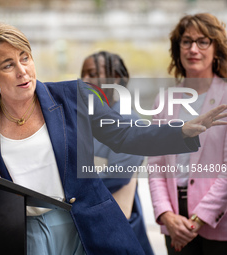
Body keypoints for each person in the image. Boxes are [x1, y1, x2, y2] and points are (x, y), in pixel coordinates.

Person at [0, 19, 227, 255]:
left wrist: (181, 131)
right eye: (8, 65)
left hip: (83, 226)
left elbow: (126, 134)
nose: (23, 71)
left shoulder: (73, 96)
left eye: (25, 58)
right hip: (22, 231)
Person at [148, 13, 227, 255]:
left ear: (216, 49)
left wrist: (199, 218)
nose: (193, 48)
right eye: (186, 41)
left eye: (203, 41)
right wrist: (166, 215)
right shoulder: (163, 101)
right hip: (174, 224)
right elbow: (155, 166)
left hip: (219, 224)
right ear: (178, 49)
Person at [81, 50, 154, 255]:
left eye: (93, 74)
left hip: (121, 234)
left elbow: (114, 178)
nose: (85, 80)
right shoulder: (83, 121)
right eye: (83, 74)